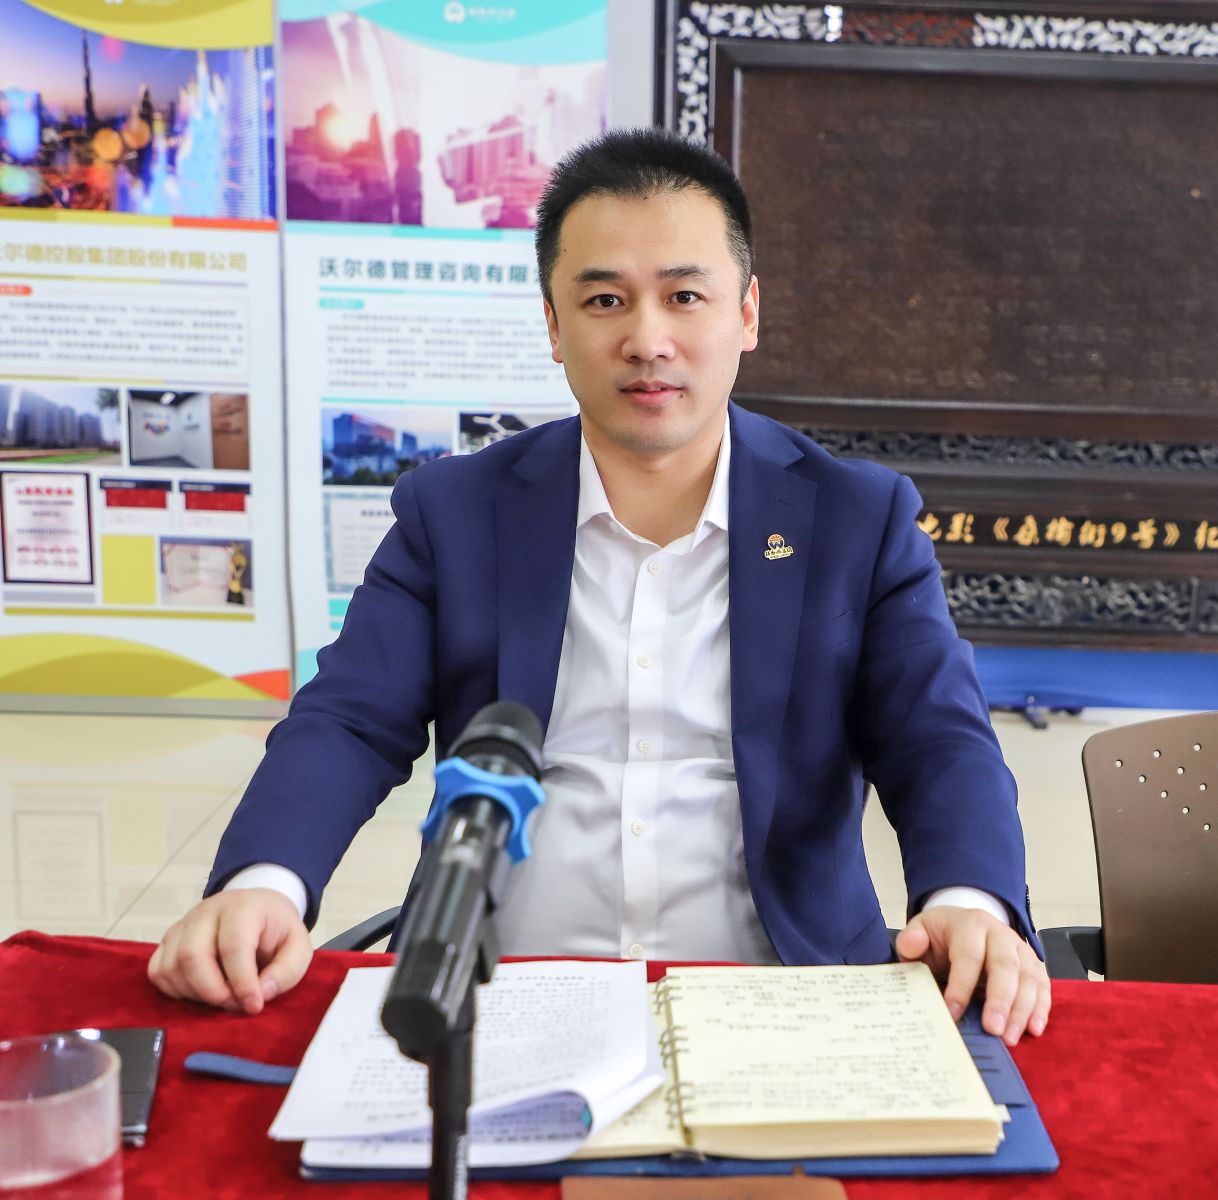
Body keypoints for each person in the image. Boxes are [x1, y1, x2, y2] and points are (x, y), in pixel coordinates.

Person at [149, 128, 1050, 1046]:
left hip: (780, 994)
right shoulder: (454, 512)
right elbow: (348, 719)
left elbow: (937, 737)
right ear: (553, 325)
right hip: (493, 993)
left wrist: (968, 898)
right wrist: (264, 883)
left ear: (746, 314)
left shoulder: (858, 519)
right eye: (605, 299)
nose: (646, 340)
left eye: (685, 296)